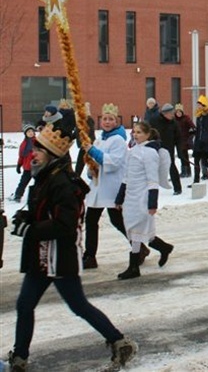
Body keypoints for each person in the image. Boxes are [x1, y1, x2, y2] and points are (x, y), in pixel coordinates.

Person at [7, 122, 137, 371]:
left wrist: (31, 229)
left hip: (59, 257)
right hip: (40, 256)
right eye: (35, 148)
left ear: (54, 155)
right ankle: (20, 358)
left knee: (78, 305)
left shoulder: (64, 183)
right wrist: (27, 218)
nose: (34, 154)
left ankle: (119, 342)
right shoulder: (46, 177)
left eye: (40, 150)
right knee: (24, 305)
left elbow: (65, 225)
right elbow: (43, 211)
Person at [82, 103, 142, 270]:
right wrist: (90, 170)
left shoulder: (118, 140)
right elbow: (95, 162)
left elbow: (113, 162)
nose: (107, 122)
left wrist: (92, 151)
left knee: (118, 221)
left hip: (111, 188)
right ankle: (90, 255)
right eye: (105, 119)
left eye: (111, 119)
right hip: (98, 187)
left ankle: (140, 247)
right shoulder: (101, 138)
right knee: (91, 220)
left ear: (116, 121)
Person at [115, 122, 174, 279]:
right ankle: (164, 247)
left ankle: (134, 266)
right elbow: (126, 177)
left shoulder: (149, 153)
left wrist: (152, 202)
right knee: (135, 231)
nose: (135, 135)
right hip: (130, 197)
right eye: (134, 132)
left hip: (142, 196)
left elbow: (152, 179)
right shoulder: (132, 151)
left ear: (148, 135)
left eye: (139, 132)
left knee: (137, 230)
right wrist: (120, 197)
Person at [149, 103, 183, 195]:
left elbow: (178, 138)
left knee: (171, 166)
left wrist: (180, 151)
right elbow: (148, 132)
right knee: (152, 168)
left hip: (169, 148)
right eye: (171, 113)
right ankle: (149, 188)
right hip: (155, 148)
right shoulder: (154, 121)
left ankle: (178, 188)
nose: (173, 115)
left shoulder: (174, 123)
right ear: (165, 113)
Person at [190, 95, 208, 184]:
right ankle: (196, 181)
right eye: (198, 105)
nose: (198, 106)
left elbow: (206, 129)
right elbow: (199, 129)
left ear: (204, 105)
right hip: (198, 141)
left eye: (200, 104)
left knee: (204, 162)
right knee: (197, 162)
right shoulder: (199, 114)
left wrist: (203, 139)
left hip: (204, 142)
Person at [10, 124, 36, 203]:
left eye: (32, 131)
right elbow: (21, 156)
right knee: (23, 182)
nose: (31, 133)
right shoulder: (23, 144)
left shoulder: (38, 142)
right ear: (25, 134)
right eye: (28, 132)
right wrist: (19, 165)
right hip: (27, 168)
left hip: (37, 167)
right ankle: (18, 195)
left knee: (40, 183)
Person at [74, 102, 96, 176]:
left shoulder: (88, 120)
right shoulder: (79, 121)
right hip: (83, 144)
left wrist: (87, 142)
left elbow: (90, 132)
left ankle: (77, 175)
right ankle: (79, 175)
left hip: (88, 144)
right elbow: (77, 133)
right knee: (83, 161)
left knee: (82, 162)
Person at [174, 103, 196, 178]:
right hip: (178, 140)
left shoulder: (186, 118)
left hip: (185, 139)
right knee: (181, 156)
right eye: (177, 112)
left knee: (184, 156)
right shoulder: (174, 120)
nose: (178, 114)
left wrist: (190, 135)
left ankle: (186, 171)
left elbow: (192, 127)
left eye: (180, 112)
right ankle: (185, 170)